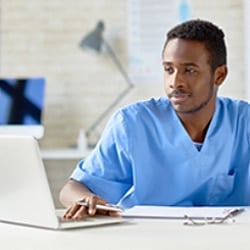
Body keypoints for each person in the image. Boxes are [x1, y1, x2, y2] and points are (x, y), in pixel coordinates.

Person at [60, 19, 250, 220]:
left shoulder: (243, 122)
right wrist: (86, 199)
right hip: (149, 237)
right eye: (169, 69)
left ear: (219, 75)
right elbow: (73, 188)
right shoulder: (133, 123)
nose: (175, 82)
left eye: (190, 70)